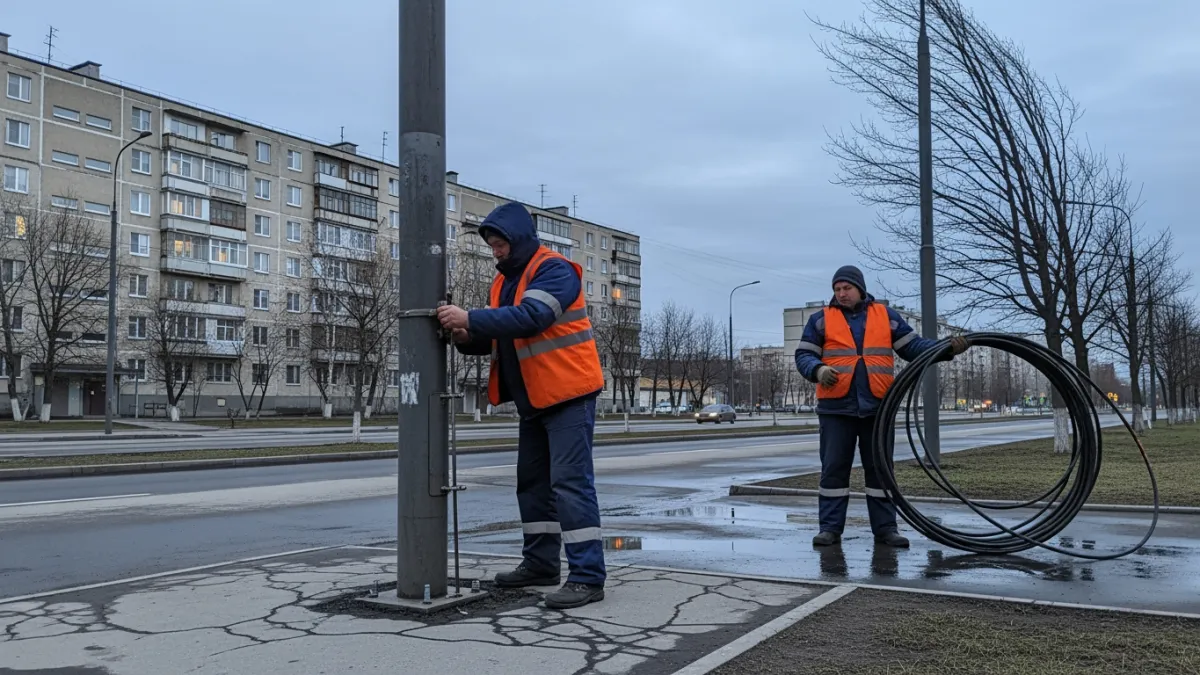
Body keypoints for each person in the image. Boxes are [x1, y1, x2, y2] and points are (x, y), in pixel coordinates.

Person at [437, 201, 607, 610]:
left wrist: (470, 318)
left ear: (520, 239)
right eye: (492, 246)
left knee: (570, 485)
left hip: (568, 394)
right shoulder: (504, 283)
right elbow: (502, 333)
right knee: (533, 485)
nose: (495, 251)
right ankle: (541, 564)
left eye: (500, 244)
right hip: (536, 398)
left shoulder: (554, 270)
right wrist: (465, 335)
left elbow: (532, 318)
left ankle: (587, 577)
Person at [794, 265, 968, 548]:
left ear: (860, 288)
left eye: (847, 288)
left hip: (878, 408)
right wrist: (818, 370)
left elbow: (912, 347)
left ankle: (886, 529)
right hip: (836, 409)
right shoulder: (820, 320)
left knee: (880, 470)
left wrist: (945, 348)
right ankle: (830, 529)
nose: (841, 294)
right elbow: (803, 355)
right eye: (837, 289)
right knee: (834, 469)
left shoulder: (885, 316)